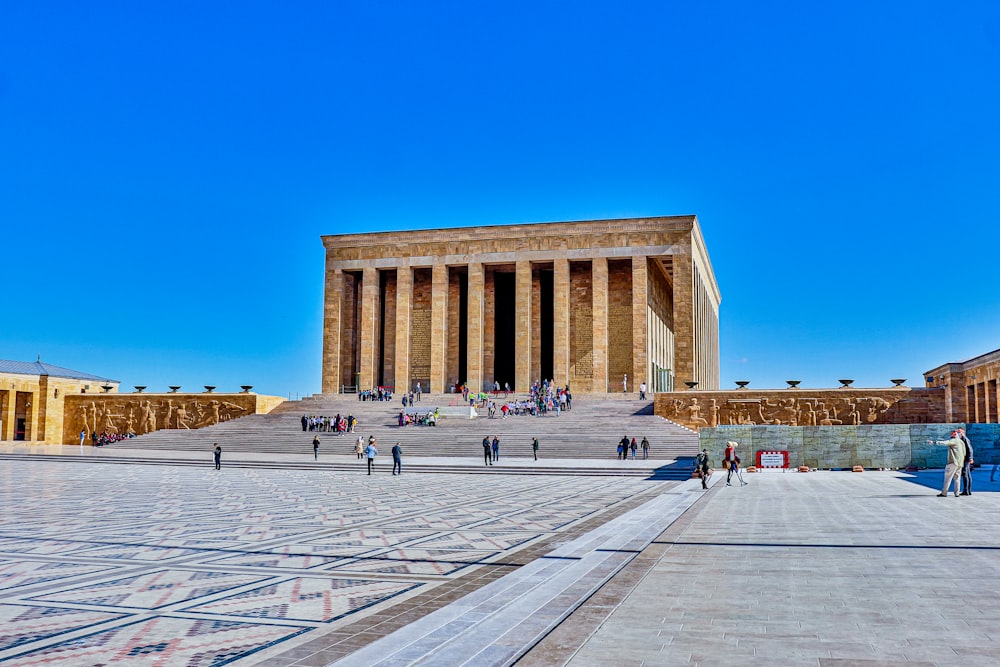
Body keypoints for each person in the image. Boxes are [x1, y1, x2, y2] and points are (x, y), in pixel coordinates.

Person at [931, 431, 964, 497]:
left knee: (947, 478)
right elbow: (964, 452)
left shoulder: (954, 440)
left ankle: (944, 493)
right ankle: (957, 493)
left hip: (953, 462)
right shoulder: (961, 442)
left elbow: (946, 442)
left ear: (954, 434)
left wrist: (935, 442)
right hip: (960, 463)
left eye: (952, 433)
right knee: (957, 479)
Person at [958, 428, 974, 495]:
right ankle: (968, 490)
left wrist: (970, 458)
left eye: (959, 432)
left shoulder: (965, 439)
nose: (958, 433)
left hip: (965, 459)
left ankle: (966, 490)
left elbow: (969, 449)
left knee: (965, 474)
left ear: (963, 433)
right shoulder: (962, 439)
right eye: (957, 432)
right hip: (965, 458)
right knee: (967, 474)